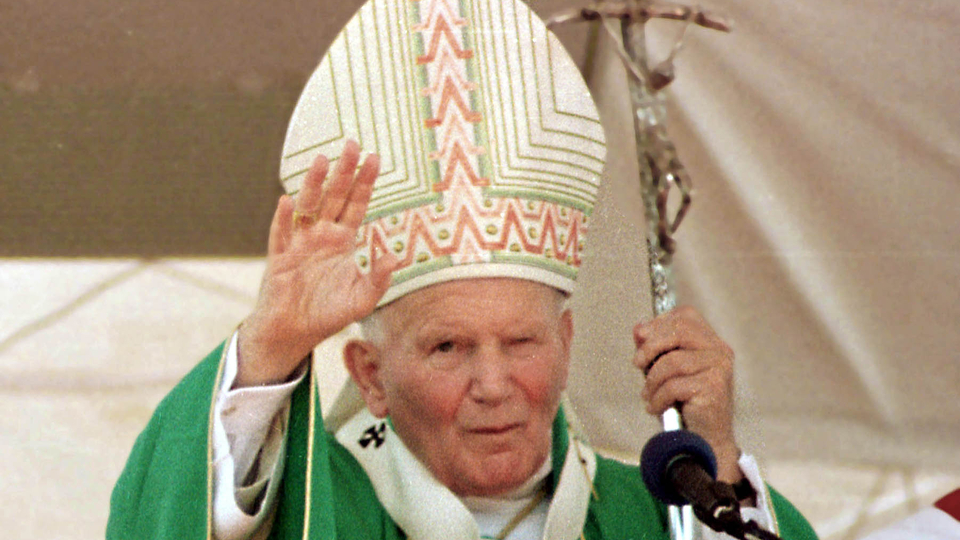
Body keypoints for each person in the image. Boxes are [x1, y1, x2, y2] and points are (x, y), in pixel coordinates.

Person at [107, 0, 819, 539]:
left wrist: (718, 466)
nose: (494, 385)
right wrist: (269, 345)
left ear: (566, 344)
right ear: (369, 376)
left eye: (522, 342)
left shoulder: (660, 515)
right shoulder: (307, 509)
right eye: (448, 347)